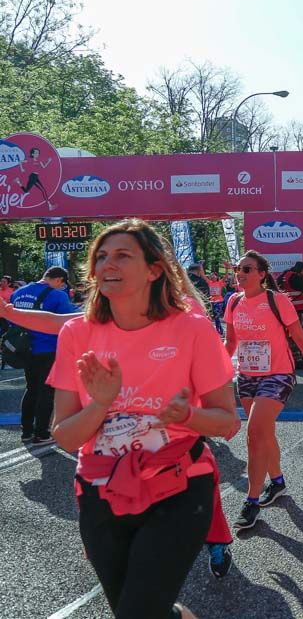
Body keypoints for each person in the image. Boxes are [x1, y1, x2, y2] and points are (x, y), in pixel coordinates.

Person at [47, 219, 240, 618]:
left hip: (178, 485)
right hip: (102, 490)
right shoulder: (76, 334)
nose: (107, 265)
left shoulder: (192, 329)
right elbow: (64, 437)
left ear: (154, 270)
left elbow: (227, 422)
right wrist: (100, 404)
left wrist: (187, 415)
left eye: (122, 255)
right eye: (101, 257)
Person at [225, 250, 303, 531]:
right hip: (247, 376)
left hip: (278, 374)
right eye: (238, 268)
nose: (241, 273)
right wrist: (219, 370)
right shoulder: (233, 302)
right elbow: (231, 341)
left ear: (261, 274)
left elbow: (298, 334)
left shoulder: (276, 300)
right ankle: (278, 481)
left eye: (247, 269)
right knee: (264, 433)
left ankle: (252, 500)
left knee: (255, 432)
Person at [9, 266, 77, 444]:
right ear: (59, 280)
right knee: (46, 391)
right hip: (48, 348)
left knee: (31, 388)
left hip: (25, 349)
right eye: (62, 284)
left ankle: (26, 431)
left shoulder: (19, 293)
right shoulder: (57, 295)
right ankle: (42, 433)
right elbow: (69, 320)